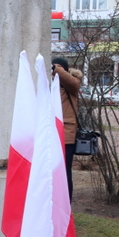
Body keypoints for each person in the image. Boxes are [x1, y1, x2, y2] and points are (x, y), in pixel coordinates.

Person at [53, 56, 81, 201]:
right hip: (51, 133)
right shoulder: (52, 84)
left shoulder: (71, 84)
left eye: (58, 67)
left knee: (65, 171)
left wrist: (57, 70)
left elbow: (74, 84)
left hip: (67, 134)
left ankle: (66, 203)